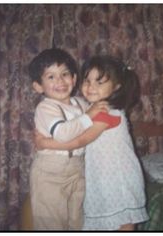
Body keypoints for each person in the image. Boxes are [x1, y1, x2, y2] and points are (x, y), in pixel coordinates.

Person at [35, 55, 149, 231]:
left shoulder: (107, 112)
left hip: (118, 176)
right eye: (87, 80)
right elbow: (79, 120)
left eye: (99, 82)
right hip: (103, 174)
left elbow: (81, 139)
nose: (90, 87)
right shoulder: (91, 108)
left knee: (123, 220)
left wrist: (46, 143)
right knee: (113, 219)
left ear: (117, 86)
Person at [28, 48, 112, 230]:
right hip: (50, 171)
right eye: (50, 77)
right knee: (51, 222)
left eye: (65, 74)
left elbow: (93, 131)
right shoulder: (46, 107)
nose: (59, 81)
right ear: (38, 86)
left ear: (74, 79)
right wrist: (88, 116)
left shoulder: (81, 104)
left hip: (78, 168)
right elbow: (63, 133)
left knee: (77, 221)